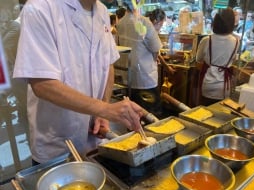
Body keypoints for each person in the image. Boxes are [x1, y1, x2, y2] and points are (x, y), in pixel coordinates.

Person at [13, 0, 143, 165]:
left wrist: (101, 110)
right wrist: (106, 109)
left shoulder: (101, 10)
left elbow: (108, 63)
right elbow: (43, 84)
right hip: (57, 147)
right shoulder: (41, 7)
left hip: (94, 141)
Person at [116, 1, 164, 117]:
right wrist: (155, 56)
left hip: (128, 78)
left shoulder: (121, 23)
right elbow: (156, 47)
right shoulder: (144, 22)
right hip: (145, 79)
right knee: (150, 118)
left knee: (132, 117)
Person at [195, 7, 239, 106]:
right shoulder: (236, 41)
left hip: (209, 82)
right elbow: (233, 59)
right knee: (220, 115)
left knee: (204, 113)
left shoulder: (207, 40)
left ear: (215, 22)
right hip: (224, 85)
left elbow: (198, 59)